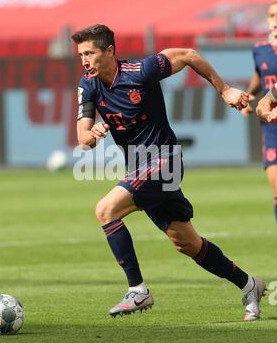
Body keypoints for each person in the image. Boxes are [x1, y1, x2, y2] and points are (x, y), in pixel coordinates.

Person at [72, 24, 266, 321]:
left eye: (90, 53)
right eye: (81, 54)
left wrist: (224, 89)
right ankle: (249, 285)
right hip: (140, 167)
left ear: (109, 51)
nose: (84, 60)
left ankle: (137, 289)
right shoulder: (88, 85)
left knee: (105, 210)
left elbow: (188, 55)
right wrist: (93, 134)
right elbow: (82, 138)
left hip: (164, 161)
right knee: (186, 243)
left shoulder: (142, 71)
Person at [241, 1, 277, 222]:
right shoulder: (260, 50)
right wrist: (249, 94)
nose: (276, 20)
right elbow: (259, 76)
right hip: (271, 126)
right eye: (272, 15)